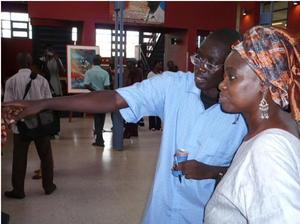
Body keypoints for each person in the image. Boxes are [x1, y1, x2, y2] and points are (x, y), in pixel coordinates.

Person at [3, 29, 247, 223]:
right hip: (161, 213)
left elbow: (251, 181)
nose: (199, 68)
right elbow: (114, 98)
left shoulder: (245, 114)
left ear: (231, 68)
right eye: (199, 58)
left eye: (211, 63)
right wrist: (44, 103)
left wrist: (214, 172)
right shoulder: (175, 86)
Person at [204, 26, 300, 223]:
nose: (221, 85)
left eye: (232, 77)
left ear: (265, 85)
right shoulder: (274, 132)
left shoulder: (268, 150)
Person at [3, 53, 56, 199]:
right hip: (40, 125)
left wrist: (11, 124)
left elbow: (8, 106)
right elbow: (48, 102)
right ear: (30, 62)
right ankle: (48, 186)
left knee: (19, 158)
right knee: (46, 157)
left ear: (17, 63)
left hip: (21, 126)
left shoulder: (11, 81)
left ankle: (18, 190)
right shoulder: (42, 80)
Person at [83, 55, 110, 147]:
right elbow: (107, 86)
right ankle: (99, 138)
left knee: (96, 117)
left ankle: (99, 139)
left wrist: (94, 91)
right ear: (101, 61)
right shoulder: (105, 73)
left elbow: (86, 84)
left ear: (93, 62)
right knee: (101, 117)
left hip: (94, 97)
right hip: (102, 97)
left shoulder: (89, 72)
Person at [147, 61, 163, 131]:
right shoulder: (150, 74)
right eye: (159, 64)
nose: (160, 65)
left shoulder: (161, 74)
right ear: (155, 66)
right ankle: (152, 125)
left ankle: (158, 126)